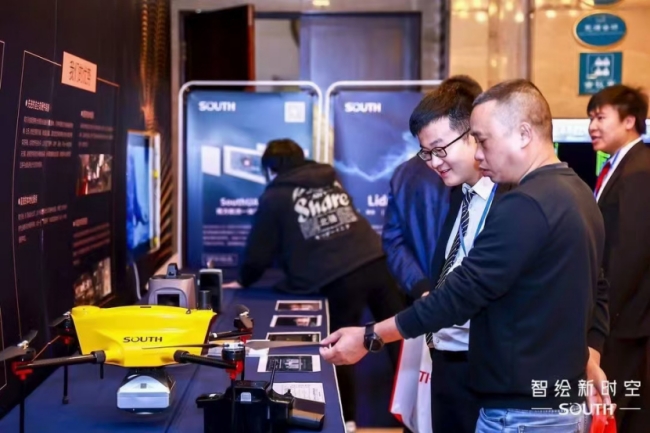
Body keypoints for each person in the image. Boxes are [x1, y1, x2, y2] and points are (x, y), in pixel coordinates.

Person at [320, 79, 611, 432]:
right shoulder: (551, 191)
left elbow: (464, 292)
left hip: (513, 397)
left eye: (481, 140)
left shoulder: (523, 202)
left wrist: (371, 336)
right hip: (463, 372)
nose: (434, 162)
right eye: (426, 153)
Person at [226, 138, 406, 433]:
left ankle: (346, 421)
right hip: (376, 260)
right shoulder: (328, 179)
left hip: (338, 276)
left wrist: (243, 280)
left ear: (270, 168)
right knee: (400, 339)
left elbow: (258, 253)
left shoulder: (275, 195)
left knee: (339, 347)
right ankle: (419, 412)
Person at [407, 75, 513, 433]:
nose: (433, 162)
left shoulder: (512, 201)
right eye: (426, 153)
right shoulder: (459, 193)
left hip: (485, 370)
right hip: (446, 361)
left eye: (440, 149)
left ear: (473, 134)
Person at [588, 84, 650, 433]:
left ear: (629, 120)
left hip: (625, 319)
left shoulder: (640, 170)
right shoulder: (620, 165)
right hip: (620, 316)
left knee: (623, 408)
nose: (592, 127)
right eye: (591, 119)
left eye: (600, 117)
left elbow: (630, 251)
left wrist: (602, 315)